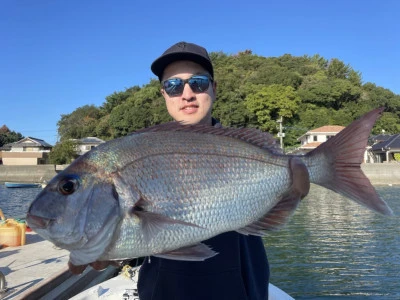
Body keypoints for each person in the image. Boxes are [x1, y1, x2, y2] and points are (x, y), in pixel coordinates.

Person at [137, 41, 270, 300]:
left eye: (197, 83)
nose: (186, 94)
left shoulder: (245, 150)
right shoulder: (143, 155)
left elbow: (272, 215)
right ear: (163, 94)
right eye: (173, 86)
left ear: (214, 88)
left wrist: (296, 185)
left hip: (241, 289)